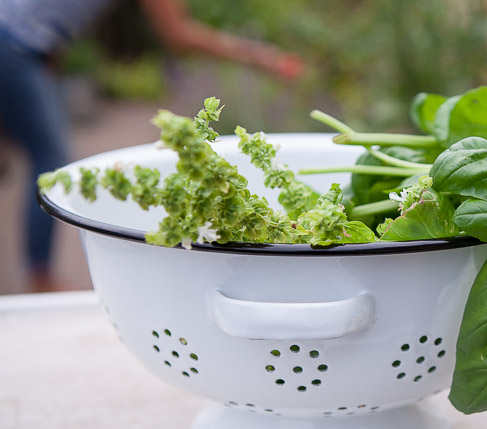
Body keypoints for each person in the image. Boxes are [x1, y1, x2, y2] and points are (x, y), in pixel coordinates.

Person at [0, 0, 303, 292]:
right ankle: (40, 281)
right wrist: (260, 56)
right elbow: (178, 34)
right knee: (50, 158)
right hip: (14, 44)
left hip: (21, 44)